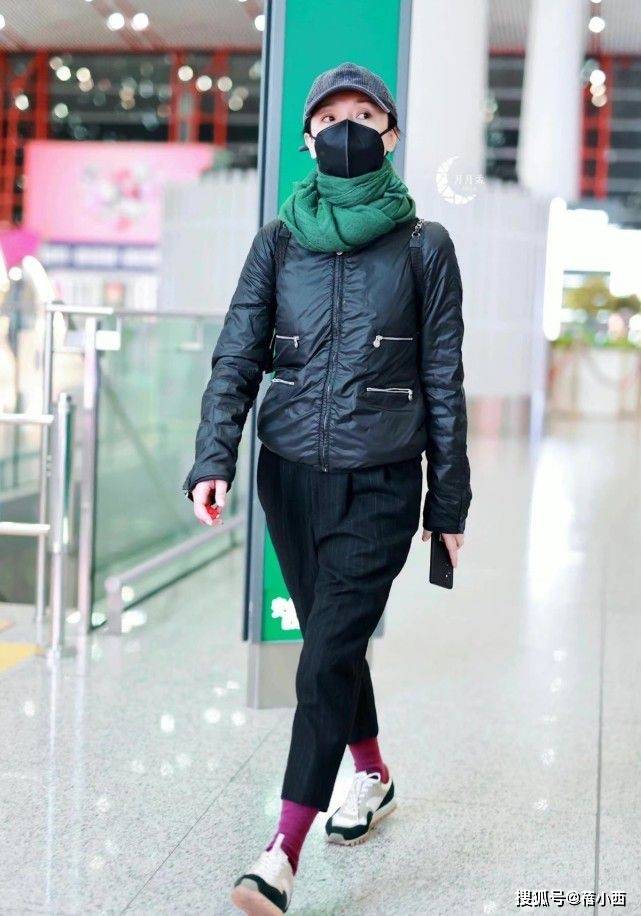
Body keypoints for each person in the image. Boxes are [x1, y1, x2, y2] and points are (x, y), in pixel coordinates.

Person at [182, 61, 472, 915]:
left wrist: (447, 504)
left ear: (390, 133)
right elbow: (238, 352)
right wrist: (213, 457)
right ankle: (371, 775)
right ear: (308, 138)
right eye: (330, 117)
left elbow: (444, 378)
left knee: (322, 660)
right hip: (290, 476)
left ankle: (281, 853)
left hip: (381, 478)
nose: (346, 128)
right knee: (330, 645)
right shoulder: (279, 240)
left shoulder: (424, 246)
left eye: (364, 115)